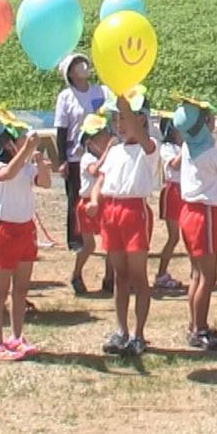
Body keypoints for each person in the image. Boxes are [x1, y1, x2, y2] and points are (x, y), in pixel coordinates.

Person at [89, 88, 159, 356]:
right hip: (112, 213)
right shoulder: (115, 150)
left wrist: (126, 106)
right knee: (119, 276)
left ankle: (139, 334)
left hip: (134, 213)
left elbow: (144, 140)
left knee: (138, 276)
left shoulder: (148, 148)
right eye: (116, 120)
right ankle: (121, 330)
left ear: (141, 120)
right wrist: (95, 201)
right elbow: (102, 179)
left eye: (124, 119)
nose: (119, 125)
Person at [174, 96, 217, 350]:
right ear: (203, 124)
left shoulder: (190, 148)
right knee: (208, 277)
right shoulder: (212, 154)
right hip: (205, 216)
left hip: (188, 213)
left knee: (196, 274)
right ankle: (201, 329)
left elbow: (215, 149)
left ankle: (194, 325)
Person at [0, 109, 52, 361]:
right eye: (20, 137)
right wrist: (26, 153)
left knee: (21, 288)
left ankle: (16, 335)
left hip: (25, 229)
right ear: (8, 143)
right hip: (3, 231)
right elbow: (7, 175)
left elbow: (43, 182)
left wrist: (41, 165)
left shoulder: (23, 165)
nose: (26, 140)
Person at [54, 53, 106, 250]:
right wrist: (62, 159)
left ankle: (97, 233)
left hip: (98, 153)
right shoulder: (65, 97)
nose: (83, 67)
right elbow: (61, 128)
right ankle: (75, 239)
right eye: (77, 65)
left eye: (82, 62)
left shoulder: (98, 92)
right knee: (75, 197)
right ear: (71, 73)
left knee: (98, 193)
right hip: (75, 154)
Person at [71, 113, 112, 296]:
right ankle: (76, 274)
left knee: (110, 243)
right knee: (89, 246)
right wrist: (107, 153)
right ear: (89, 142)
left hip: (104, 202)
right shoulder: (87, 158)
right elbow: (95, 171)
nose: (104, 140)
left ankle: (110, 278)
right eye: (100, 137)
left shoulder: (107, 157)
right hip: (87, 203)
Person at [154, 118, 185, 291]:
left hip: (185, 190)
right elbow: (174, 165)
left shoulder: (182, 147)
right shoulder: (167, 148)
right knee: (174, 236)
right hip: (172, 191)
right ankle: (161, 274)